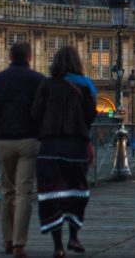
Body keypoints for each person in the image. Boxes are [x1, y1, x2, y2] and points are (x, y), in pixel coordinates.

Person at [31, 46, 97, 258]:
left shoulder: (46, 85)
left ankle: (58, 246)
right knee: (77, 192)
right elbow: (91, 115)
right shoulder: (86, 86)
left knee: (51, 195)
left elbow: (35, 113)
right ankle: (74, 236)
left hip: (50, 146)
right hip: (76, 146)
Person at [0, 41, 47, 258]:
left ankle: (7, 240)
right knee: (24, 193)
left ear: (10, 56)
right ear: (30, 57)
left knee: (6, 192)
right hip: (29, 140)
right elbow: (43, 113)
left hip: (3, 140)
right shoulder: (39, 80)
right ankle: (20, 243)